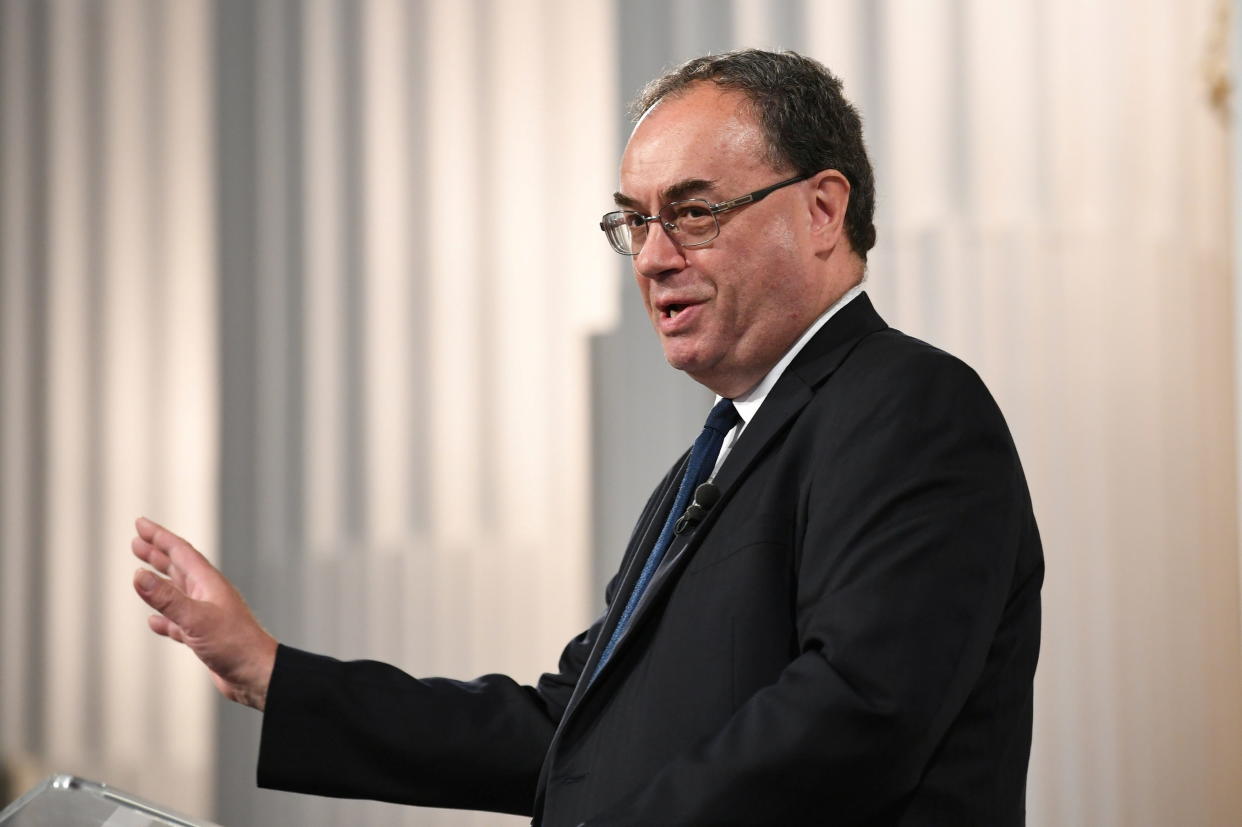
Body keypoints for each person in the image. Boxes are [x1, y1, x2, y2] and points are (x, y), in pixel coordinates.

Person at [132, 50, 1042, 826]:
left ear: (822, 209)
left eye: (693, 211)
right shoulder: (712, 459)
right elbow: (569, 732)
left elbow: (855, 717)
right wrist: (273, 674)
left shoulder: (911, 407)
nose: (651, 256)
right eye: (636, 220)